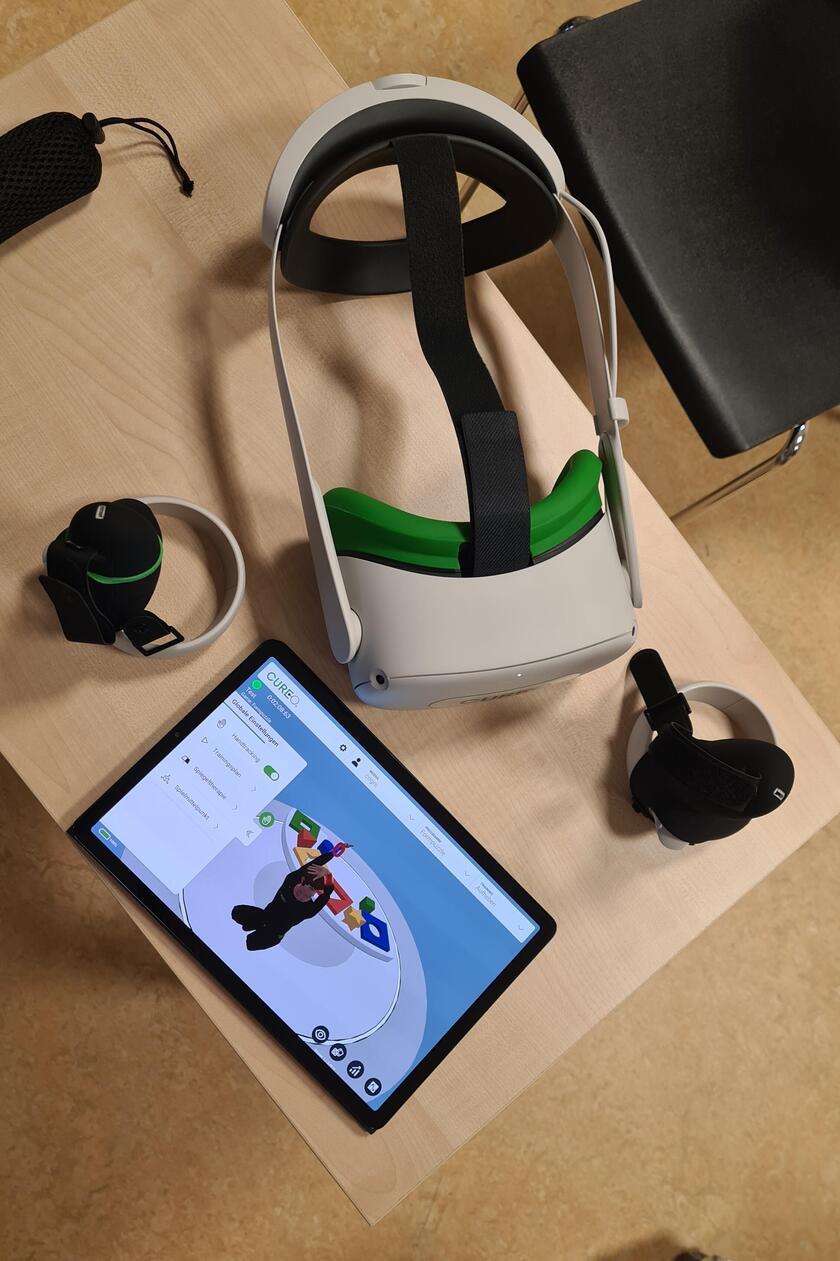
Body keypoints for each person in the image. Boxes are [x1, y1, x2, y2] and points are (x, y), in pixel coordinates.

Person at [231, 843, 352, 951]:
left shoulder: (309, 909)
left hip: (274, 934)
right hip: (265, 916)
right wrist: (332, 853)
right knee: (237, 911)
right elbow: (312, 864)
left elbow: (327, 894)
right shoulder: (291, 880)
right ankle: (253, 925)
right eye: (310, 888)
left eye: (314, 891)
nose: (308, 895)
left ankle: (255, 929)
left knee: (251, 944)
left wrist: (328, 875)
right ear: (302, 880)